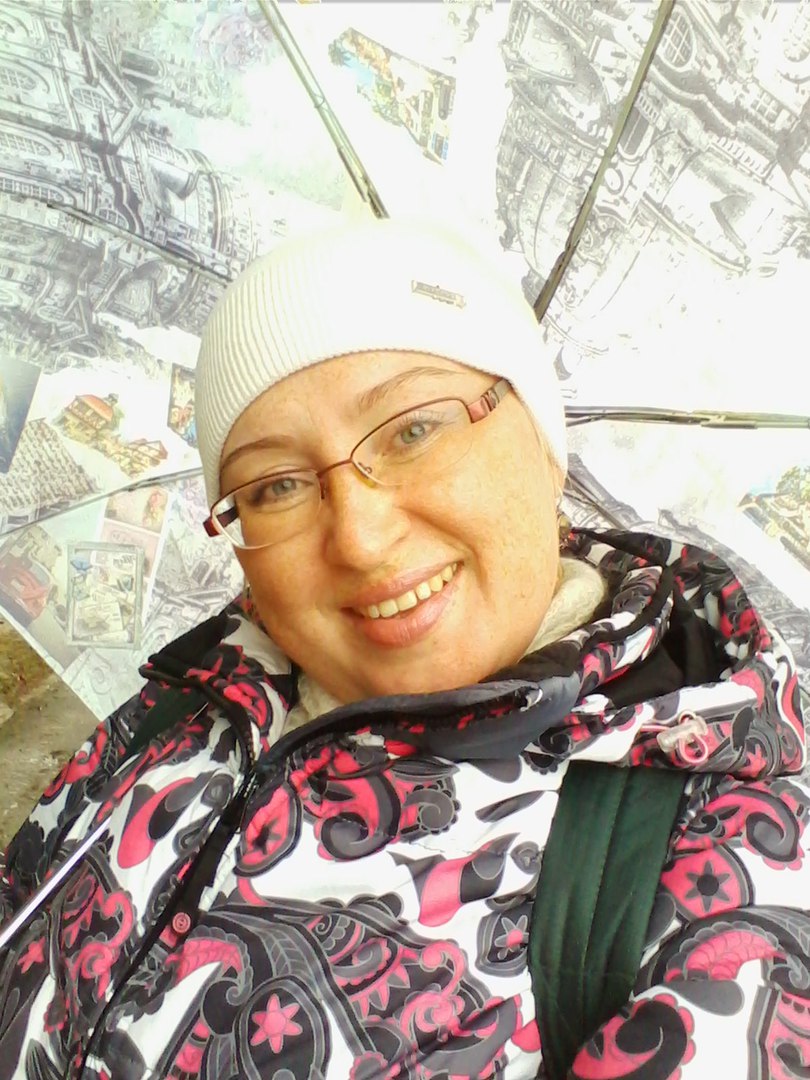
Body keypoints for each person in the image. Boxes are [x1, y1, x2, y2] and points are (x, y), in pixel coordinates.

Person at [0, 216, 808, 1079]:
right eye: (276, 485)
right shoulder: (201, 691)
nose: (359, 539)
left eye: (413, 430)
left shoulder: (734, 878)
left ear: (545, 446)